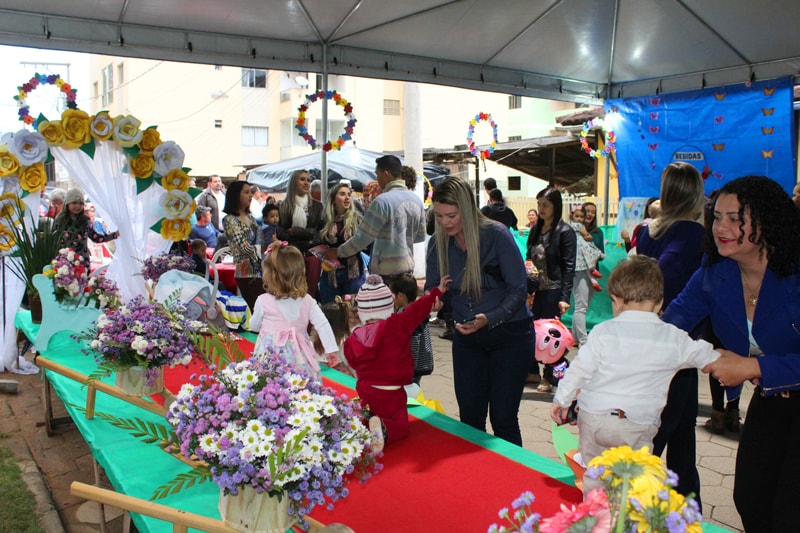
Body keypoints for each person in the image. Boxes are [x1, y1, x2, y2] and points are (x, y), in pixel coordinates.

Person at [661, 175, 800, 531]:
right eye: (717, 216)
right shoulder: (714, 273)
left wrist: (754, 366)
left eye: (735, 218)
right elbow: (667, 329)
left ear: (767, 222)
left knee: (788, 511)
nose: (721, 227)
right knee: (750, 498)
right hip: (773, 401)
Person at [551, 256, 720, 492]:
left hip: (593, 418)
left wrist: (562, 400)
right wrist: (727, 359)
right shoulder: (673, 337)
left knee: (595, 475)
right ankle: (625, 520)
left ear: (615, 301)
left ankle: (595, 515)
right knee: (634, 482)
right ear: (660, 303)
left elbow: (579, 369)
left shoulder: (602, 331)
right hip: (637, 423)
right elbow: (705, 357)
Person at [425, 176, 534, 446]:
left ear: (467, 209)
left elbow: (519, 290)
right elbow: (432, 288)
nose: (445, 223)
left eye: (451, 215)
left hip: (510, 335)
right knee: (470, 421)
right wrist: (434, 299)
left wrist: (490, 318)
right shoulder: (437, 243)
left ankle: (515, 483)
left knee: (504, 418)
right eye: (439, 217)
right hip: (467, 339)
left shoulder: (497, 235)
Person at [634, 161, 706, 504]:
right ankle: (637, 501)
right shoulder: (691, 233)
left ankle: (682, 505)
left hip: (657, 341)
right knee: (667, 429)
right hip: (675, 341)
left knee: (678, 430)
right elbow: (669, 280)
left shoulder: (650, 230)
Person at [345, 274, 448, 452]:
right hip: (392, 391)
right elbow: (417, 309)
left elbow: (351, 360)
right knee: (400, 424)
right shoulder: (397, 324)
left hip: (367, 389)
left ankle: (366, 425)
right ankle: (385, 429)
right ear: (388, 306)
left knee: (368, 412)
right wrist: (437, 292)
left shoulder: (356, 336)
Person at [326, 155, 425, 285]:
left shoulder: (381, 201)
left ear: (386, 174)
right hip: (408, 270)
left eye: (377, 175)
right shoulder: (416, 200)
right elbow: (420, 236)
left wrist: (338, 252)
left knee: (384, 305)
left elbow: (362, 239)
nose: (377, 179)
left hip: (386, 273)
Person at [249, 243, 339, 380]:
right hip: (300, 356)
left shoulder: (263, 300)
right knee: (301, 386)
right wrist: (331, 349)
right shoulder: (308, 300)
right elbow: (323, 324)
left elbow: (254, 326)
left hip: (270, 356)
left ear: (270, 275)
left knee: (269, 389)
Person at [525, 187, 576, 392]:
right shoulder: (536, 230)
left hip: (553, 290)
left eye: (545, 205)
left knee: (551, 336)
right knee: (530, 331)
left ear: (556, 206)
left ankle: (557, 377)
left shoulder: (565, 232)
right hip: (534, 290)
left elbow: (569, 266)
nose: (541, 209)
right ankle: (532, 372)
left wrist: (565, 297)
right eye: (539, 205)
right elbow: (529, 258)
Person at [278, 169, 324, 299]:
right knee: (291, 290)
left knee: (310, 291)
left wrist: (296, 231)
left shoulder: (317, 206)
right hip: (290, 253)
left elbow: (319, 232)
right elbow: (281, 233)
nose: (306, 183)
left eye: (308, 180)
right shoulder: (283, 206)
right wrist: (306, 235)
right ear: (293, 182)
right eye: (302, 179)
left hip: (311, 252)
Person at [318, 182, 366, 304]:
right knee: (331, 310)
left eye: (349, 194)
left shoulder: (358, 219)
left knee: (353, 309)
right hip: (330, 272)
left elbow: (363, 244)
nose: (347, 197)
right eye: (342, 194)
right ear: (334, 199)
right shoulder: (325, 220)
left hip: (353, 273)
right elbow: (316, 241)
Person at [221, 180, 263, 311]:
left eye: (250, 192)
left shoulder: (251, 218)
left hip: (262, 270)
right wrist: (263, 250)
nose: (250, 195)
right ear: (235, 195)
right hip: (247, 273)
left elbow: (261, 241)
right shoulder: (229, 220)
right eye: (246, 192)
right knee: (256, 308)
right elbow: (244, 247)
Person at [53, 187, 119, 266]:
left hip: (83, 263)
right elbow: (53, 241)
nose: (77, 206)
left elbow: (96, 237)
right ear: (67, 204)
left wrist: (114, 235)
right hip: (64, 264)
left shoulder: (86, 221)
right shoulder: (60, 220)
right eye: (74, 203)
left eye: (80, 203)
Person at [389, 273, 434, 385]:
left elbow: (413, 345)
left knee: (410, 393)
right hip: (417, 365)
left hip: (413, 368)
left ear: (400, 295)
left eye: (393, 295)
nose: (392, 298)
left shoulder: (411, 318)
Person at [569, 206, 604, 349]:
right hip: (578, 270)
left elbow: (600, 251)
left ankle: (575, 337)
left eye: (592, 212)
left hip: (591, 268)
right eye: (586, 212)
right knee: (581, 307)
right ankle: (584, 340)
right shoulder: (572, 229)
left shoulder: (597, 232)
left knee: (582, 307)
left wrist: (590, 248)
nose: (589, 215)